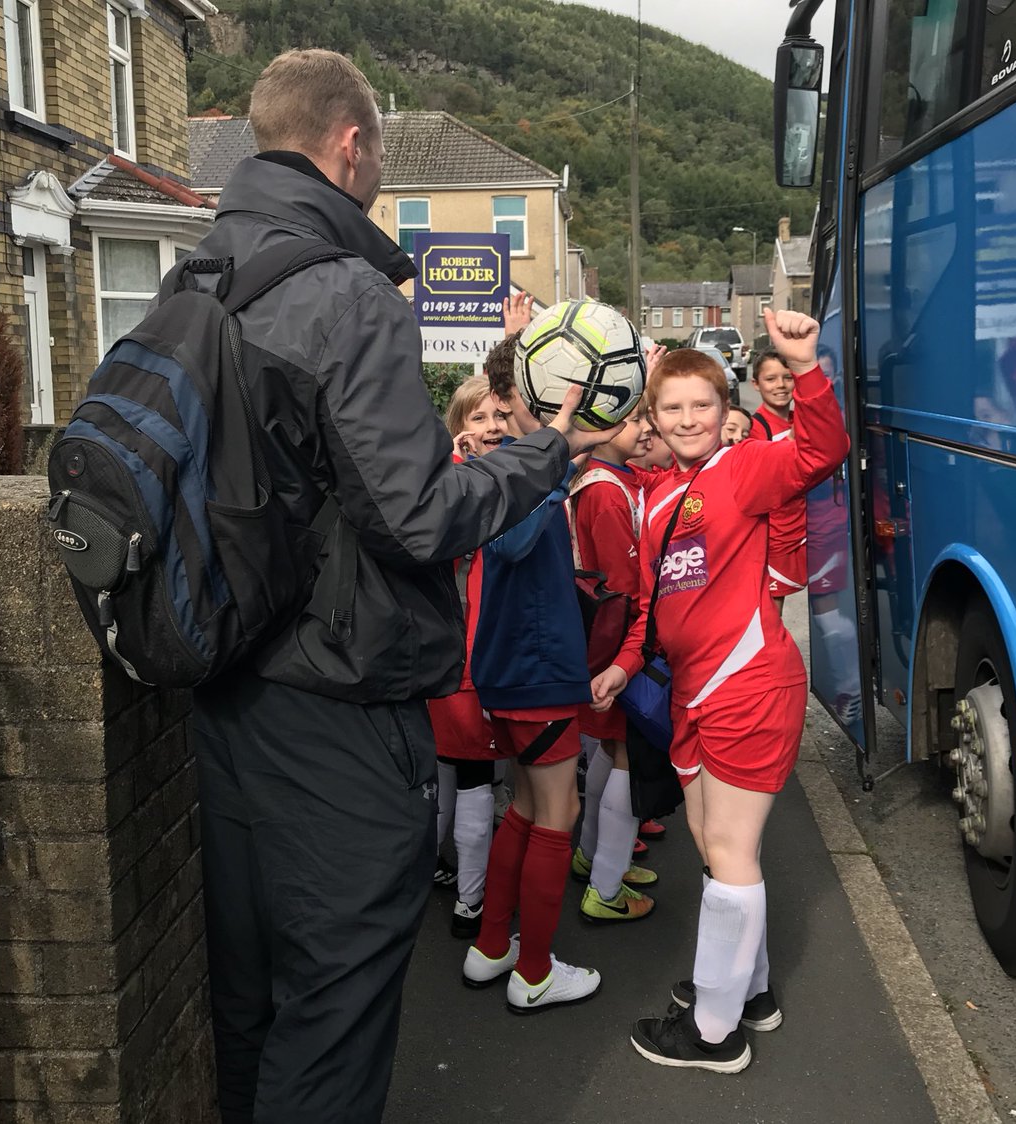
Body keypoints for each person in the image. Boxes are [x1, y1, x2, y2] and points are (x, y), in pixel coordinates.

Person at [187, 49, 619, 1123]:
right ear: (353, 145)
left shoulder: (203, 272)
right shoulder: (344, 292)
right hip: (333, 700)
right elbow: (418, 516)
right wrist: (541, 453)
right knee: (333, 1009)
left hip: (222, 687)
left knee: (251, 998)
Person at [591, 311, 849, 1073]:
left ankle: (712, 1032)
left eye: (701, 404)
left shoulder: (741, 469)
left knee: (732, 850)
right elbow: (650, 605)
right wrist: (624, 664)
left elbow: (821, 449)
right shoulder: (658, 495)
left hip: (748, 685)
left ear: (723, 405)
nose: (687, 419)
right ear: (655, 419)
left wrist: (805, 366)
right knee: (714, 849)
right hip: (693, 695)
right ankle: (751, 993)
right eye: (671, 408)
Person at [461, 354, 602, 1012]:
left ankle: (493, 948)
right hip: (533, 669)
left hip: (513, 669)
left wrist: (568, 454)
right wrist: (557, 465)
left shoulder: (521, 458)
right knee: (558, 813)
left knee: (522, 805)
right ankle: (537, 971)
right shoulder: (517, 465)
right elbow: (513, 541)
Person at [570, 409, 659, 923]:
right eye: (634, 420)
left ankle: (595, 856)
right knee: (627, 753)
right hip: (619, 640)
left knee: (611, 746)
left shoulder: (610, 478)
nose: (646, 429)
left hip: (610, 638)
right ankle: (604, 885)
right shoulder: (605, 489)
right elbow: (623, 583)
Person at [428, 377, 509, 936]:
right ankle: (471, 901)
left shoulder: (464, 478)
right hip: (464, 653)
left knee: (453, 775)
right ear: (459, 428)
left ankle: (444, 878)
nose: (493, 427)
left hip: (465, 650)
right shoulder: (458, 485)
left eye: (500, 415)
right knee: (469, 775)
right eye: (478, 418)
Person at [749, 350, 808, 613]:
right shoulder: (755, 426)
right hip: (776, 535)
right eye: (771, 379)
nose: (781, 386)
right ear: (755, 384)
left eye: (787, 377)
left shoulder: (801, 418)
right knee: (772, 612)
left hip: (810, 528)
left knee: (828, 607)